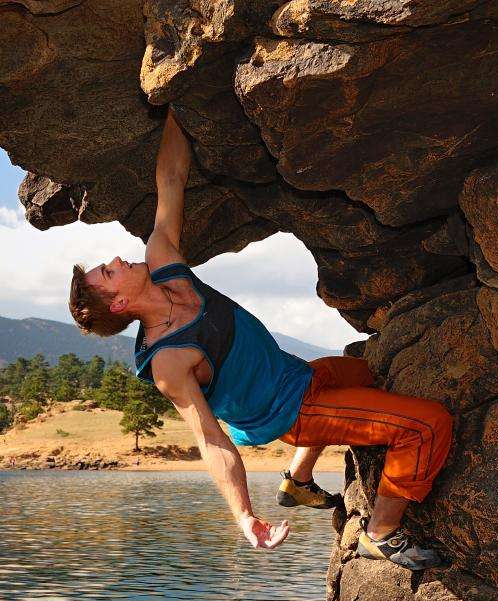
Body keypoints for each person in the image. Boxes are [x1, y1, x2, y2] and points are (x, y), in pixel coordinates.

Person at [67, 109, 453, 570]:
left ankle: (298, 478)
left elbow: (171, 178)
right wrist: (244, 515)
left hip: (300, 375)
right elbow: (211, 441)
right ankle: (381, 534)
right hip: (291, 412)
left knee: (366, 372)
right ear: (118, 305)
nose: (116, 258)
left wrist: (175, 102)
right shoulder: (168, 360)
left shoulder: (164, 261)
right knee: (427, 425)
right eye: (109, 273)